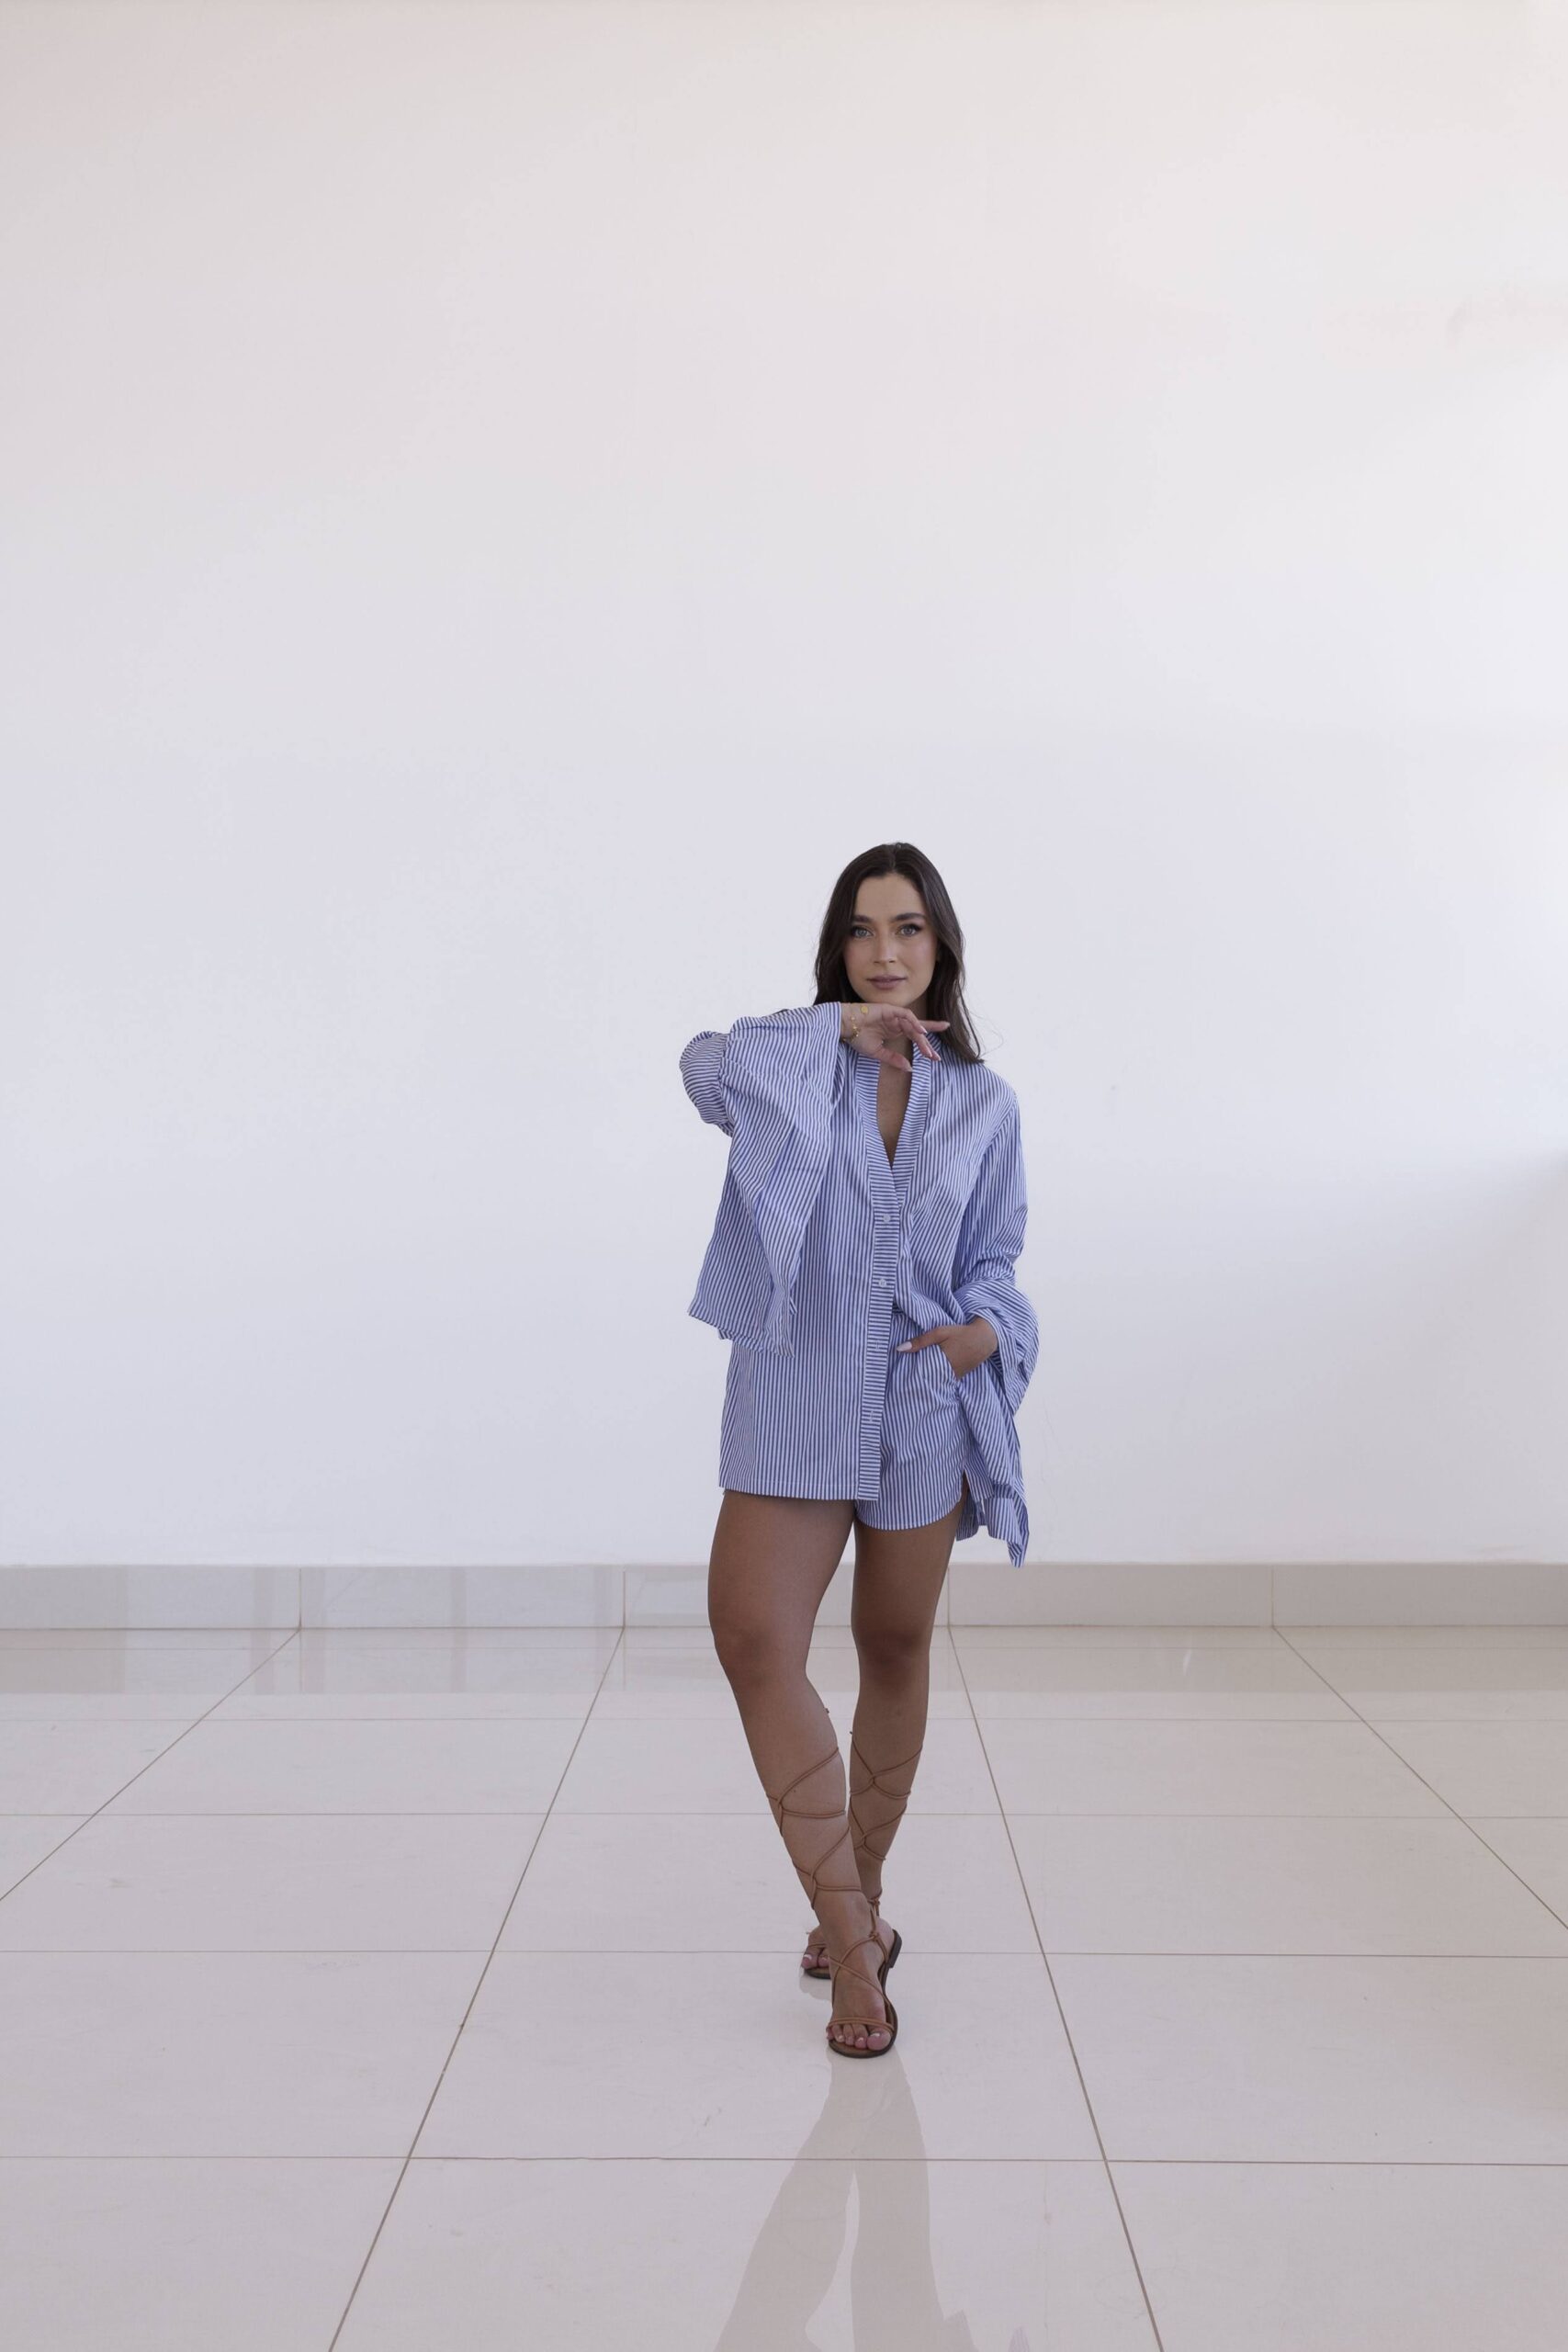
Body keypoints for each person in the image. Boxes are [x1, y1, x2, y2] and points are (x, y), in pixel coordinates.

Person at [679, 842, 1038, 2056]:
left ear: (942, 948)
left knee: (893, 1646)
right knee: (754, 1641)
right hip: (793, 1393)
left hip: (921, 1402)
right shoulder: (792, 1066)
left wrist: (982, 1335)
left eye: (910, 929)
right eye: (863, 930)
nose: (887, 953)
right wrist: (839, 1028)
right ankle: (848, 1941)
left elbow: (996, 1262)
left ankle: (861, 1906)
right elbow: (703, 1066)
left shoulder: (984, 1106)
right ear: (838, 950)